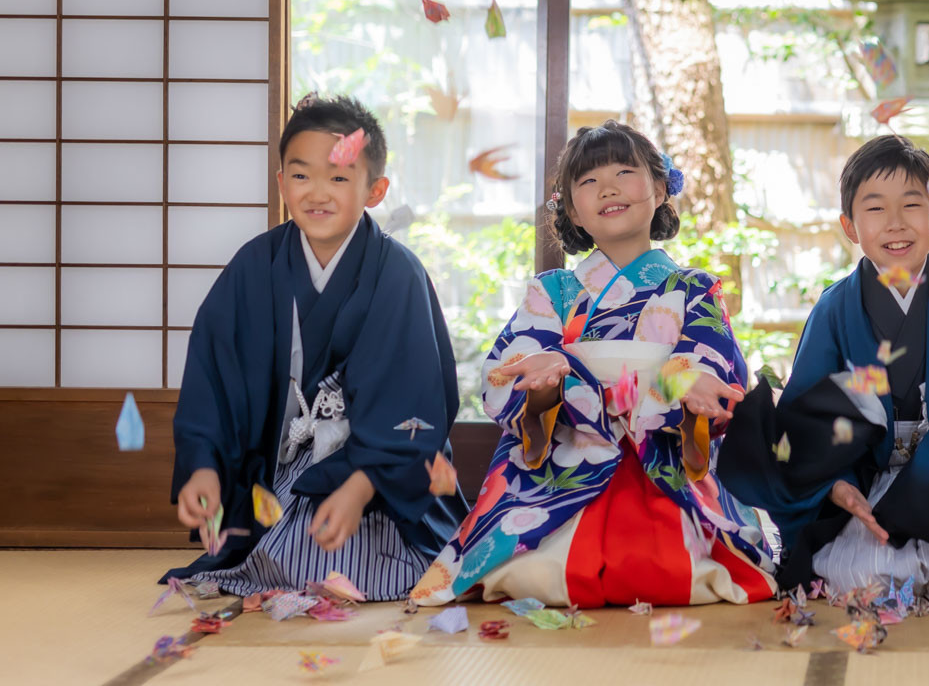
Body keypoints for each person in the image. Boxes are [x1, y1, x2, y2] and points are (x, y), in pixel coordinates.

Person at [411, 121, 775, 608]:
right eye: (587, 181)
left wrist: (695, 384)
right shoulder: (552, 291)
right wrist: (542, 386)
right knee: (538, 570)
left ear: (661, 187)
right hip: (564, 457)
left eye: (625, 171)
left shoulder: (695, 288)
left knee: (665, 569)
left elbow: (706, 354)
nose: (607, 187)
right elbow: (514, 365)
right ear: (573, 212)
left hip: (657, 455)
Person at [718, 135, 929, 602]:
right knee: (862, 577)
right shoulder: (834, 308)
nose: (897, 223)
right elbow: (806, 417)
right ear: (849, 225)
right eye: (876, 209)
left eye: (912, 204)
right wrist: (832, 482)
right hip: (863, 481)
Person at [168, 95, 467, 599]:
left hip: (375, 475)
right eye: (301, 176)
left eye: (339, 177)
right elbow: (213, 375)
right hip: (278, 466)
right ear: (281, 182)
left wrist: (360, 485)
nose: (317, 193)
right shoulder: (253, 266)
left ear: (375, 190)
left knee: (346, 565)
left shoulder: (397, 274)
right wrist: (203, 465)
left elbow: (416, 398)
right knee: (287, 552)